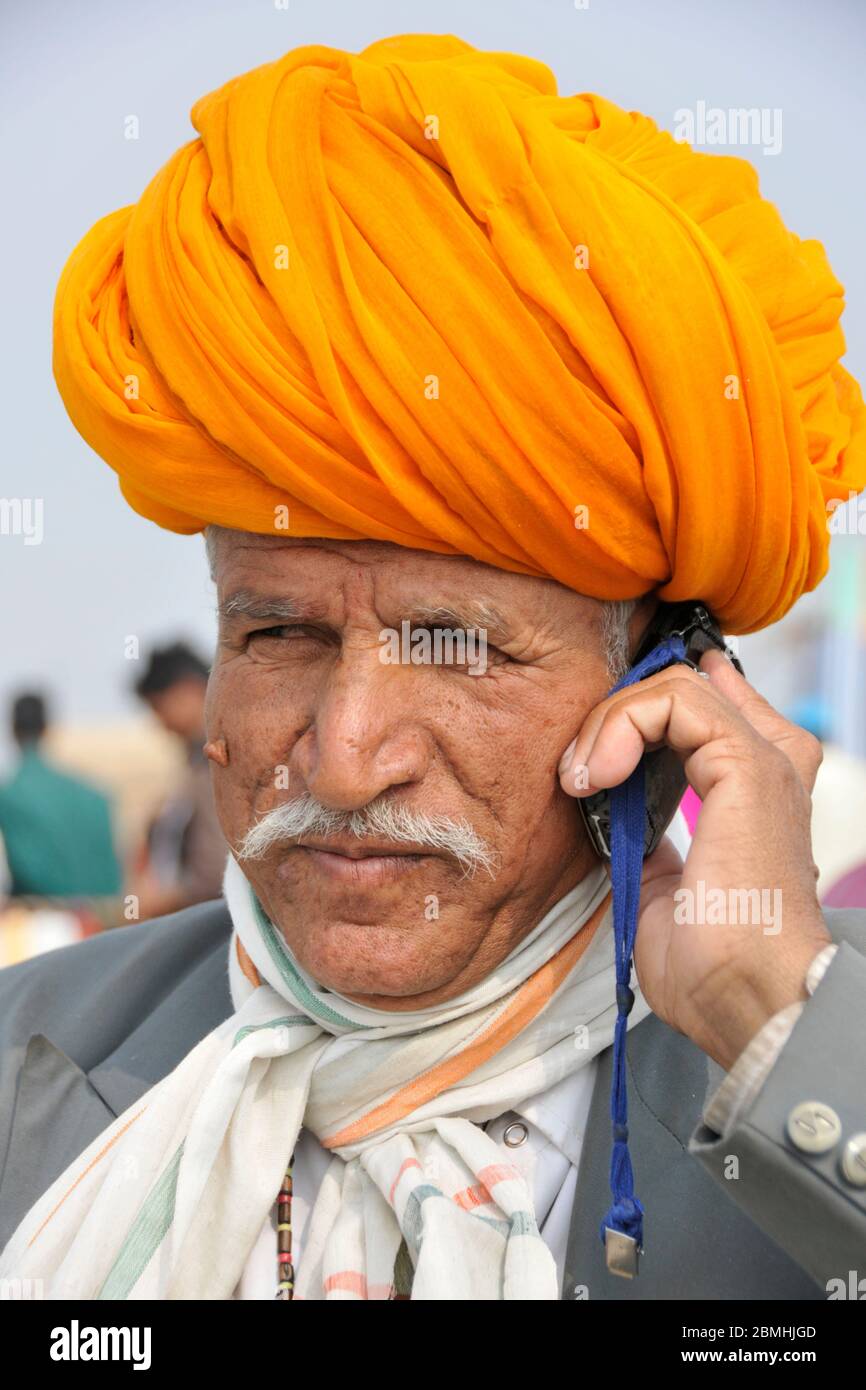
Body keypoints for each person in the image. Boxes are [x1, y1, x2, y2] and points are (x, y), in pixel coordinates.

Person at [1, 34, 865, 1301]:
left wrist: (771, 1023)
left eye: (460, 649)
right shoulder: (37, 1065)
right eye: (279, 633)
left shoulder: (810, 1059)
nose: (345, 757)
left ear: (669, 693)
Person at [128, 642, 227, 918]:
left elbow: (216, 869)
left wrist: (160, 902)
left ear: (188, 690)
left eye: (159, 707)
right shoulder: (196, 762)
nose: (160, 723)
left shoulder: (220, 760)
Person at [0, 692, 121, 899]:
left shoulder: (9, 795)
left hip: (44, 919)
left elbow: (28, 870)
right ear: (47, 729)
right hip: (103, 916)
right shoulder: (94, 795)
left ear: (12, 730)